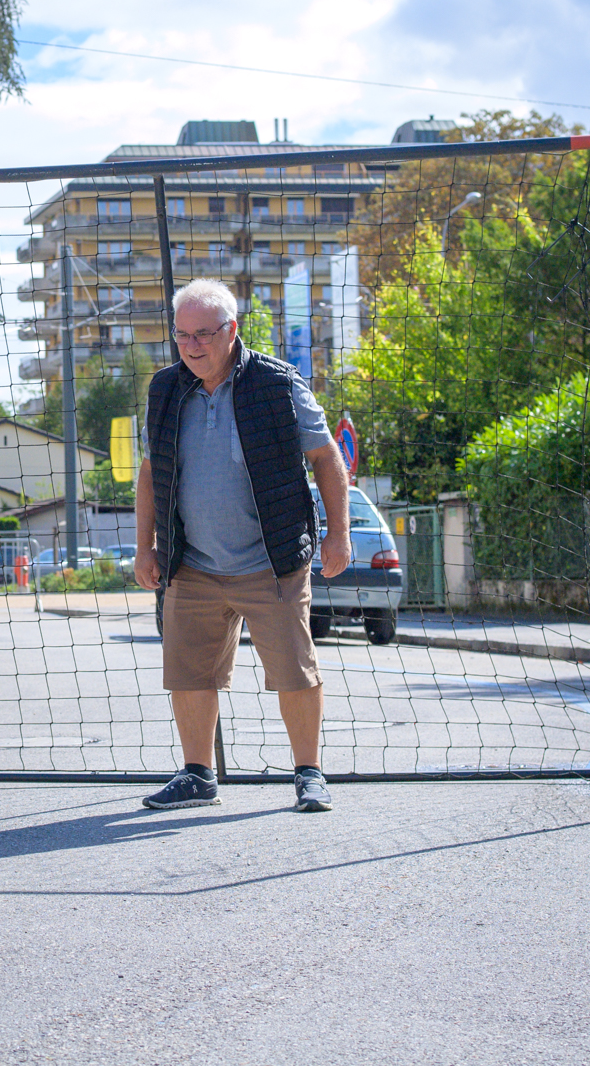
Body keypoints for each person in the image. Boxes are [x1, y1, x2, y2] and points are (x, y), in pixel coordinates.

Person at [134, 278, 353, 814]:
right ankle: (197, 775)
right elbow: (149, 472)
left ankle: (309, 774)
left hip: (271, 560)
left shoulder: (280, 385)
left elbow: (327, 459)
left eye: (203, 335)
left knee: (294, 671)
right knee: (187, 674)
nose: (191, 346)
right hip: (192, 563)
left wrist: (339, 534)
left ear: (232, 331)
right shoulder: (165, 390)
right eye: (182, 335)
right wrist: (146, 548)